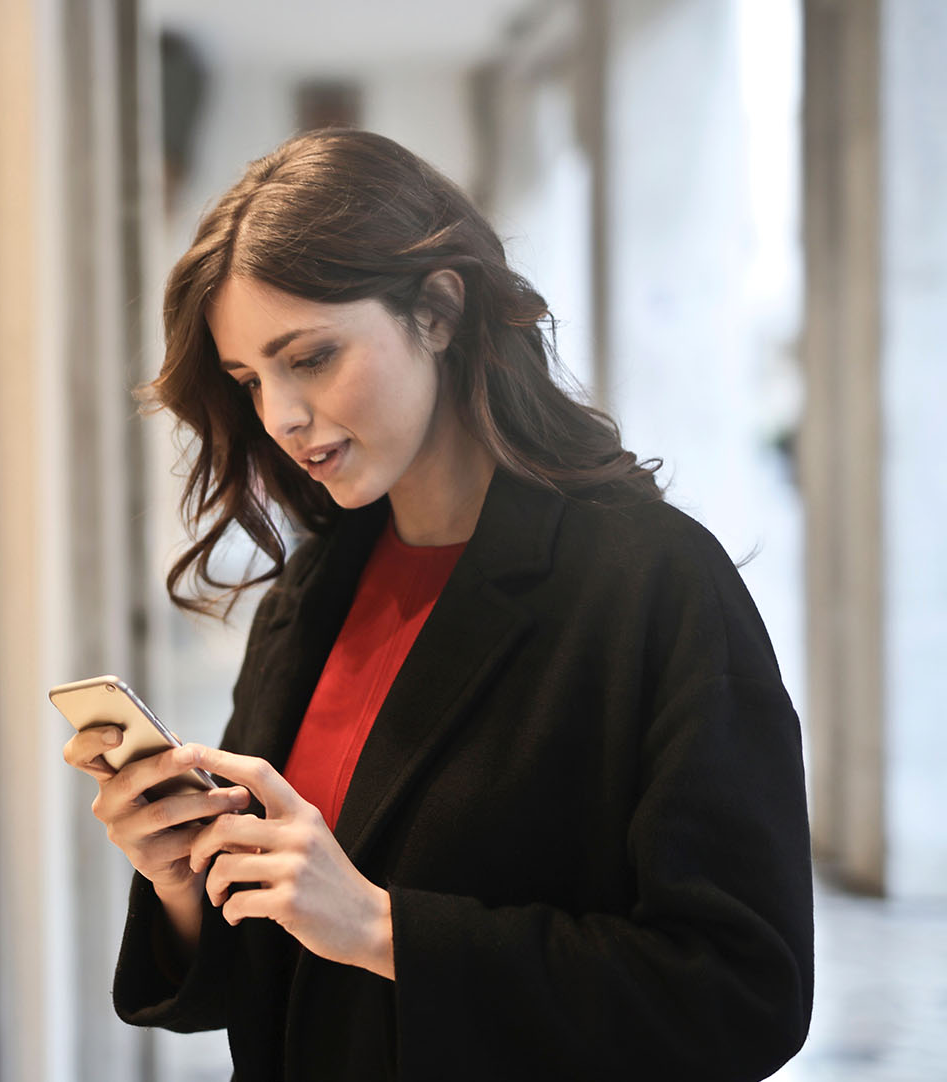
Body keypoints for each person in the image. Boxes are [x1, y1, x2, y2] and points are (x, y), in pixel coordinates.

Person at [63, 129, 813, 1081]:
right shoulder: (315, 588)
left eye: (312, 357)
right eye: (252, 381)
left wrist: (385, 929)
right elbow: (271, 968)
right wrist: (182, 881)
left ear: (439, 310)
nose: (282, 416)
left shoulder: (652, 584)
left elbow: (742, 994)